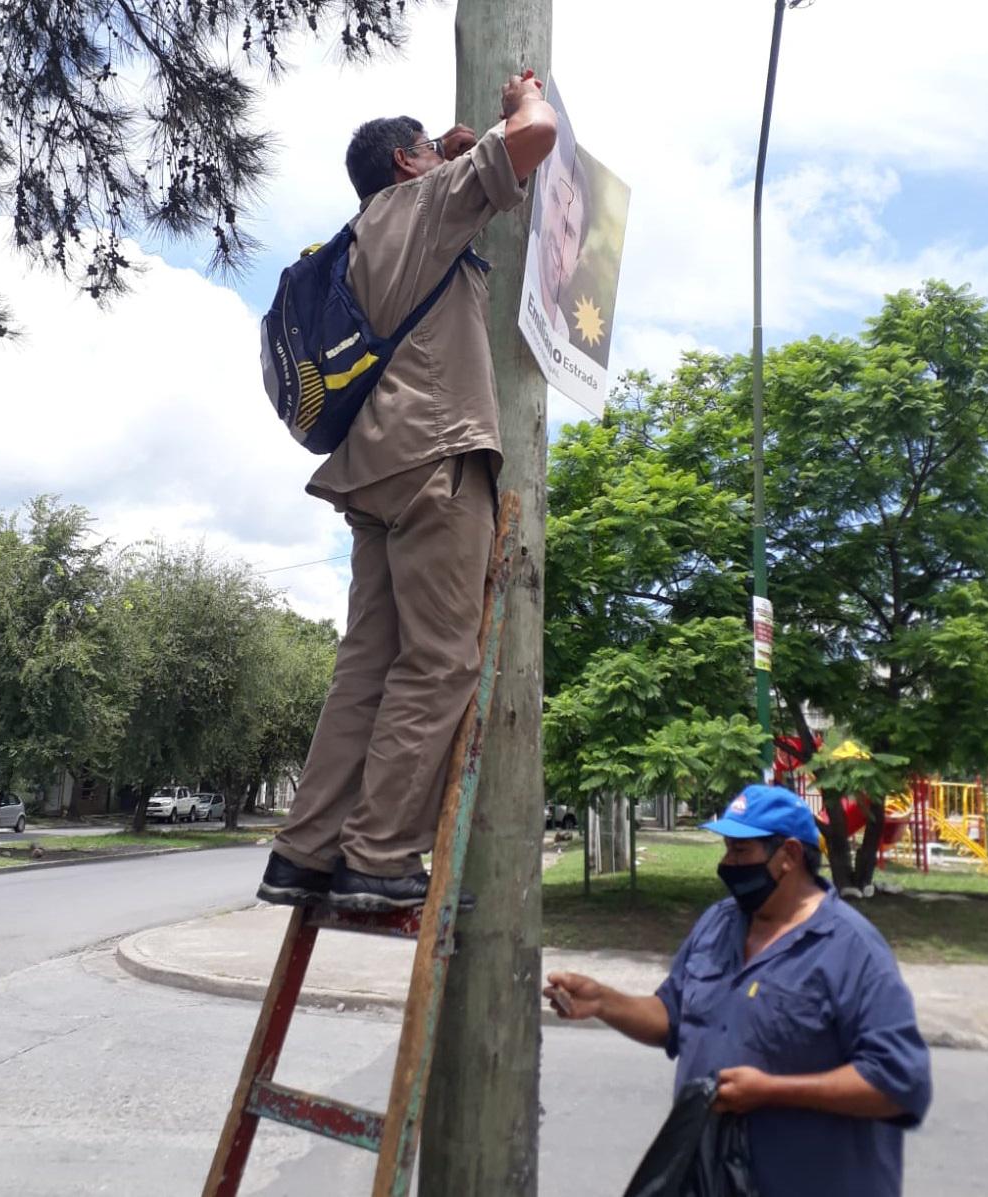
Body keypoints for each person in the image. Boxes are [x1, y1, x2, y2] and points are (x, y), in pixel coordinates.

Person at [257, 72, 558, 913]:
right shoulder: (424, 207)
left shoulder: (358, 235)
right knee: (438, 661)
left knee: (366, 667)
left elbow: (462, 174)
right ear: (404, 162)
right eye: (427, 148)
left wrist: (451, 149)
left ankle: (305, 851)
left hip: (370, 473)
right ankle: (378, 856)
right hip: (434, 462)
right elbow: (533, 139)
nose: (443, 156)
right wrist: (521, 99)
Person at [544, 784, 932, 1197]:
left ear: (789, 856)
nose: (726, 864)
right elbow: (674, 1016)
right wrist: (603, 1001)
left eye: (740, 851)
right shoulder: (719, 924)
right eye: (727, 849)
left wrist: (771, 1091)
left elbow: (899, 1083)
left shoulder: (851, 949)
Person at [525, 117, 591, 341]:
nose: (557, 236)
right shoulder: (516, 273)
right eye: (555, 199)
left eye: (569, 230)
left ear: (578, 258)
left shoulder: (563, 334)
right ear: (542, 184)